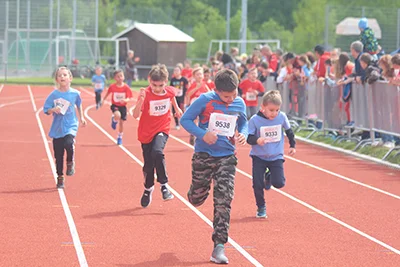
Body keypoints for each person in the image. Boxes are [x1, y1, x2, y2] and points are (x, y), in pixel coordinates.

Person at [180, 69, 248, 264]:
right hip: (204, 155)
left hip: (226, 157)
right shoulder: (205, 100)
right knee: (196, 199)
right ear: (217, 90)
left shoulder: (239, 102)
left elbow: (244, 123)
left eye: (233, 94)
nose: (230, 99)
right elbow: (185, 120)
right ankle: (196, 192)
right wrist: (202, 135)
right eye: (226, 96)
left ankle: (219, 246)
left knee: (224, 199)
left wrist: (243, 133)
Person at [132, 64, 183, 208]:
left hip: (162, 128)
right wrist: (141, 100)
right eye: (154, 85)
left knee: (158, 152)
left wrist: (177, 108)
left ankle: (164, 186)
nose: (157, 88)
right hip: (145, 133)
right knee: (148, 166)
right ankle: (148, 189)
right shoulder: (146, 94)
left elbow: (172, 96)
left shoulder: (169, 91)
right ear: (149, 81)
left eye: (160, 85)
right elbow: (135, 115)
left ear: (165, 82)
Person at [246, 90, 296, 218]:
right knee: (257, 184)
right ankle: (261, 207)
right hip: (259, 157)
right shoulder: (254, 120)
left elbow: (289, 131)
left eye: (277, 110)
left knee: (279, 183)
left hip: (276, 156)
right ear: (262, 108)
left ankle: (268, 176)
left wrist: (292, 146)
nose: (274, 113)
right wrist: (257, 140)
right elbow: (249, 138)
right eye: (271, 110)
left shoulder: (282, 117)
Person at [43, 66, 87, 189]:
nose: (62, 77)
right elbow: (46, 110)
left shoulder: (75, 93)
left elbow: (79, 104)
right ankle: (60, 177)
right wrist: (53, 109)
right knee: (58, 155)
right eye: (60, 75)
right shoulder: (54, 95)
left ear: (70, 78)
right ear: (57, 79)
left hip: (70, 125)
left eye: (65, 75)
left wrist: (82, 117)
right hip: (58, 128)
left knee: (69, 143)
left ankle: (70, 162)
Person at [101, 69, 132, 145]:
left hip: (123, 106)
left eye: (121, 76)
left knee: (121, 123)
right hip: (115, 105)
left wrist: (125, 100)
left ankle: (119, 137)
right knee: (117, 115)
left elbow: (129, 97)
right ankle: (114, 120)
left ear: (123, 77)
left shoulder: (126, 87)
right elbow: (108, 93)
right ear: (114, 78)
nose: (120, 78)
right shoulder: (112, 86)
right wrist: (103, 100)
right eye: (118, 77)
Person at [170, 66, 189, 130]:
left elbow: (187, 88)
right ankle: (177, 123)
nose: (176, 72)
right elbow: (171, 89)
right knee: (174, 111)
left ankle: (183, 121)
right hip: (174, 98)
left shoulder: (184, 80)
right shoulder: (173, 80)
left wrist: (186, 95)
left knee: (182, 110)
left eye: (177, 70)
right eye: (175, 70)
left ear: (180, 71)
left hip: (181, 98)